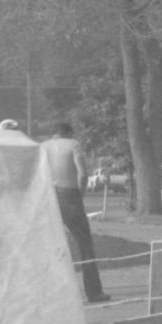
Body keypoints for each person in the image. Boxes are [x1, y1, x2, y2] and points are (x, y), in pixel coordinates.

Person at [33, 120, 108, 302]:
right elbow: (82, 174)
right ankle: (94, 292)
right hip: (69, 194)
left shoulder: (42, 147)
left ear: (54, 133)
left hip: (48, 195)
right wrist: (79, 195)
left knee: (48, 244)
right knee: (84, 245)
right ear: (68, 132)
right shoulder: (73, 145)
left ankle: (48, 292)